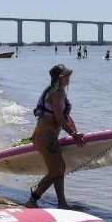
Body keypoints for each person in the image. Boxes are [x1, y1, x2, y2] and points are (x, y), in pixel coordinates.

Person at [25, 64, 85, 209]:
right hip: (47, 135)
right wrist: (72, 133)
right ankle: (32, 201)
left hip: (45, 135)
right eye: (66, 75)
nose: (69, 78)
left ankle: (62, 203)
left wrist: (75, 131)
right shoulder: (56, 93)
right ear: (60, 78)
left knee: (60, 169)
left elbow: (66, 118)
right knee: (55, 172)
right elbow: (59, 118)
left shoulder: (56, 92)